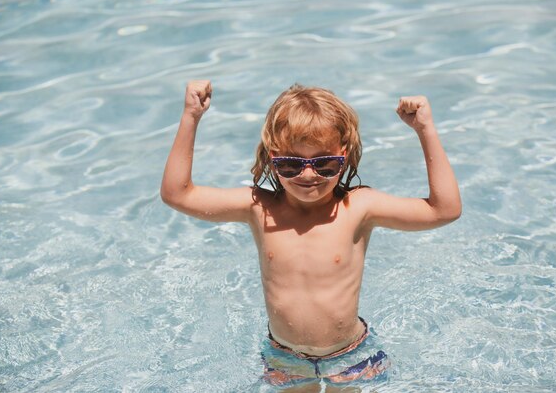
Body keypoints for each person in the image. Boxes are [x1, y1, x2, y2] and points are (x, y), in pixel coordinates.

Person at [161, 80, 461, 388]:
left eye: (325, 164)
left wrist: (424, 130)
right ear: (271, 157)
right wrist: (190, 116)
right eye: (290, 165)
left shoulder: (357, 207)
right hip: (285, 357)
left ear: (344, 157)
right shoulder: (258, 208)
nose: (308, 175)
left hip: (349, 355)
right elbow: (177, 194)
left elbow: (444, 210)